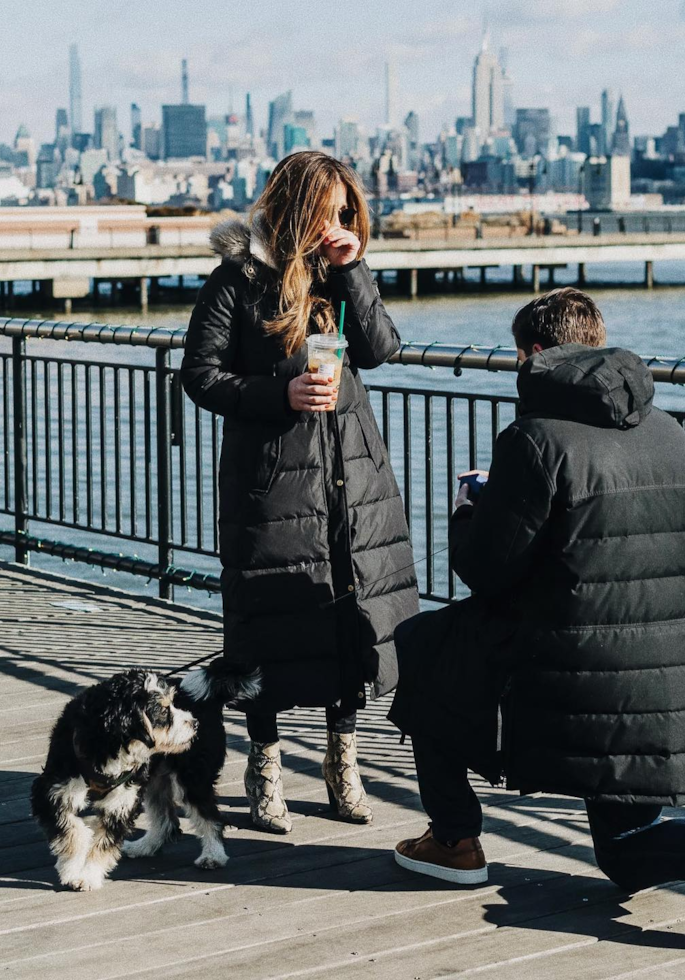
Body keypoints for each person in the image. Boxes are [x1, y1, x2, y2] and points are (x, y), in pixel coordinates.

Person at [388, 287, 685, 953]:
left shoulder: (532, 438)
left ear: (538, 354)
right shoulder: (669, 433)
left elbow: (489, 570)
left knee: (422, 643)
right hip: (654, 678)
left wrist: (470, 507)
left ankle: (455, 839)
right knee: (627, 856)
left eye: (520, 356)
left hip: (561, 671)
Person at [181, 151, 419, 834]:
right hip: (272, 481)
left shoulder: (338, 272)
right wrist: (277, 393)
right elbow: (200, 375)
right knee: (266, 621)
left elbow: (379, 349)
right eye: (327, 211)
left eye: (347, 211)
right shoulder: (239, 279)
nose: (337, 222)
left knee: (344, 613)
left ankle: (343, 763)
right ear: (296, 207)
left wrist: (352, 266)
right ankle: (266, 765)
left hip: (351, 478)